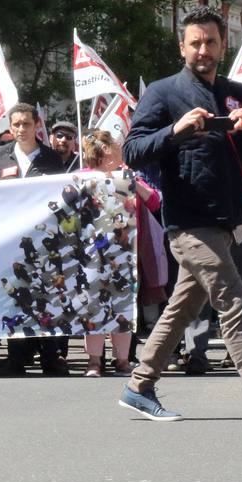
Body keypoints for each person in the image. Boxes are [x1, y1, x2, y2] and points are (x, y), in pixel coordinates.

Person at [120, 5, 242, 420]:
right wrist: (174, 131)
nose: (203, 50)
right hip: (188, 220)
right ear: (182, 46)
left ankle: (139, 386)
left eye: (210, 41)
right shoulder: (163, 93)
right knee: (233, 300)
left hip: (229, 218)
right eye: (195, 42)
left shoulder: (240, 93)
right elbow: (132, 151)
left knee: (182, 308)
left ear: (222, 44)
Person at [0, 103, 70, 377]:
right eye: (16, 124)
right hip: (9, 241)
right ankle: (16, 357)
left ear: (36, 125)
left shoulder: (52, 158)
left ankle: (50, 357)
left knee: (45, 296)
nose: (20, 129)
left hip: (43, 241)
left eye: (26, 124)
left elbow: (58, 194)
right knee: (15, 298)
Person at [79, 130, 150, 376]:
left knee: (122, 305)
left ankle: (122, 360)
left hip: (123, 253)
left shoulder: (127, 176)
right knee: (93, 305)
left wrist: (134, 183)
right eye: (112, 153)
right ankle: (94, 361)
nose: (118, 156)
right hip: (90, 254)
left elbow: (155, 201)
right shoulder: (80, 178)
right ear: (99, 155)